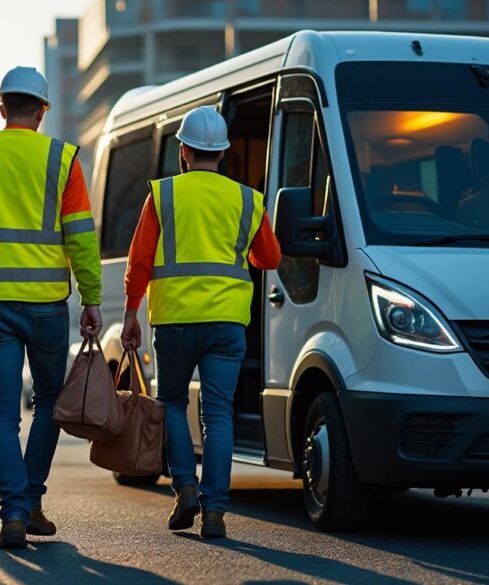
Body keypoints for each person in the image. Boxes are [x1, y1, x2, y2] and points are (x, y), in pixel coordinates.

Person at [0, 66, 103, 549]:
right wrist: (91, 297)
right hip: (48, 305)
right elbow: (80, 237)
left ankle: (14, 512)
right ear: (43, 110)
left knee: (1, 412)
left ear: (1, 107)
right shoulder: (62, 158)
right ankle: (30, 500)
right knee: (49, 402)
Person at [120, 106, 281, 539]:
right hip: (227, 324)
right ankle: (214, 512)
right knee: (219, 415)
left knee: (171, 403)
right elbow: (270, 257)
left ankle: (185, 489)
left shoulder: (164, 194)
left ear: (184, 150)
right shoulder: (247, 199)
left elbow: (140, 261)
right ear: (224, 153)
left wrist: (131, 313)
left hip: (174, 321)